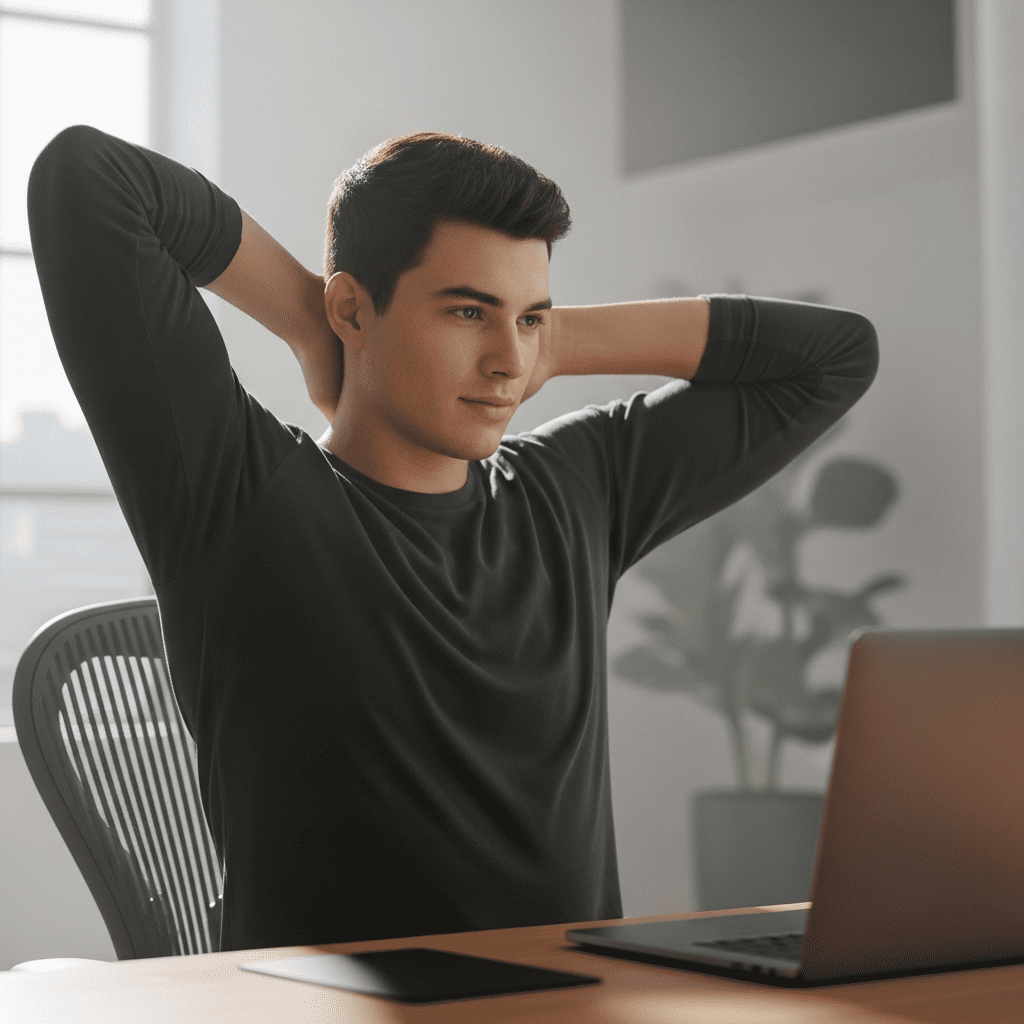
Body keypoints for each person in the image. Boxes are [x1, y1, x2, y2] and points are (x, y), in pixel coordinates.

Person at [27, 124, 878, 953]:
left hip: (574, 1018)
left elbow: (836, 357)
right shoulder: (238, 495)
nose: (507, 363)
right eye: (469, 312)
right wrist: (312, 325)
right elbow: (89, 179)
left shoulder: (576, 488)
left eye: (529, 317)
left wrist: (555, 341)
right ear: (355, 306)